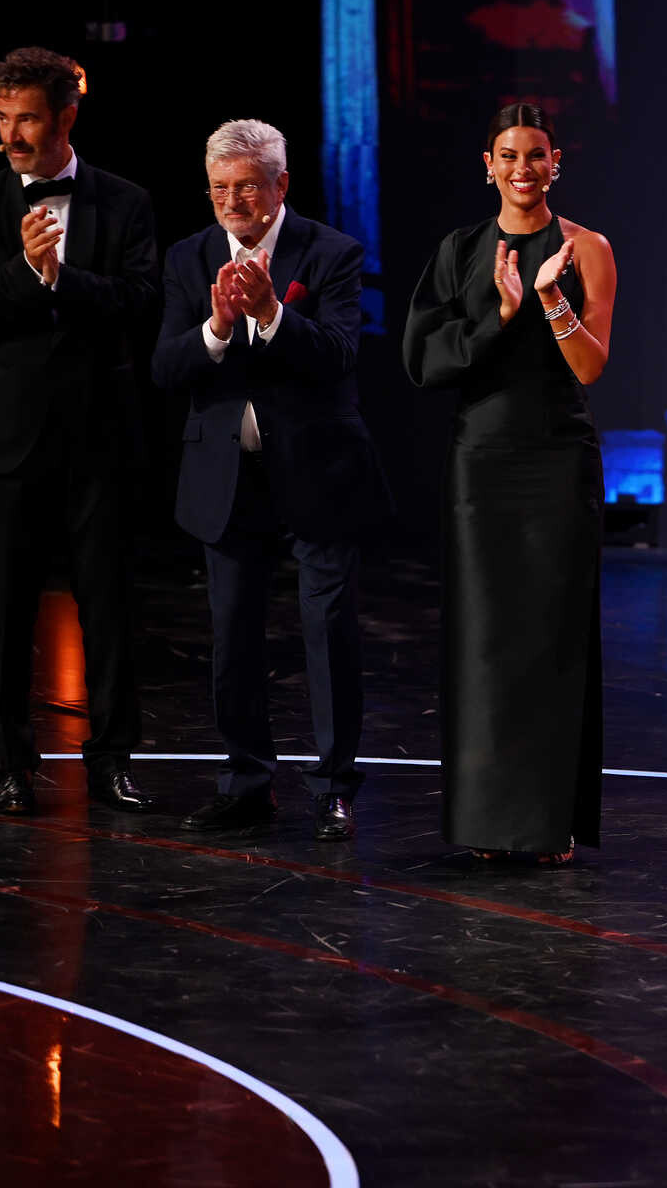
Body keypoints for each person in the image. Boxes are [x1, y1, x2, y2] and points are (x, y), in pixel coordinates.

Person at [153, 120, 391, 841]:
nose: (233, 201)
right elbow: (166, 369)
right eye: (220, 189)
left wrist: (270, 314)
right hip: (227, 476)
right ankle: (245, 783)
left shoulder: (332, 252)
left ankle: (334, 789)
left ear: (280, 185)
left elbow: (341, 353)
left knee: (327, 629)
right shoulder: (189, 259)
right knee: (233, 636)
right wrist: (218, 328)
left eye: (247, 187)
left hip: (318, 471)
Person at [403, 102, 614, 863]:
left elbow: (589, 366)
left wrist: (552, 299)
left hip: (557, 456)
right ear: (486, 165)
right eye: (507, 155)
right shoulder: (461, 250)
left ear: (557, 162)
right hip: (481, 461)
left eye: (535, 154)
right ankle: (490, 825)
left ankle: (546, 823)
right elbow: (422, 361)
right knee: (485, 641)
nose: (521, 168)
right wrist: (500, 312)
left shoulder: (587, 247)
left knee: (552, 638)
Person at [0, 47, 159, 817]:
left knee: (107, 608)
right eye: (3, 118)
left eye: (28, 118)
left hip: (99, 436)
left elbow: (141, 302)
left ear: (66, 117)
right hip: (10, 439)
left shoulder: (126, 201)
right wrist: (23, 274)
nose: (12, 134)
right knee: (5, 608)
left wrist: (59, 280)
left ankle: (111, 762)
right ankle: (12, 763)